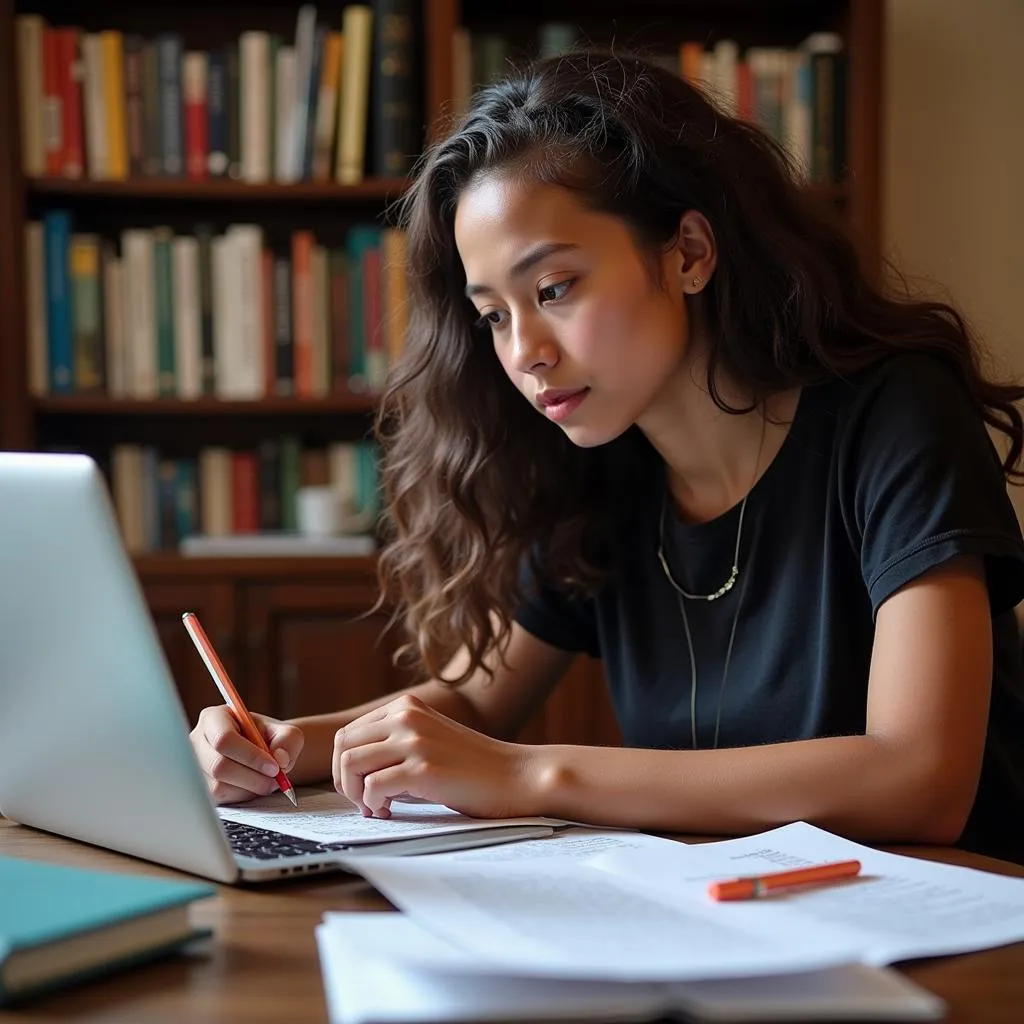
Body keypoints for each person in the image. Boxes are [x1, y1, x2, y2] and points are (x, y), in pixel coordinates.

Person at [190, 51, 1024, 862]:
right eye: (494, 316)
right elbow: (472, 697)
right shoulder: (602, 468)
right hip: (728, 922)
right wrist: (286, 745)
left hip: (958, 939)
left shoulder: (894, 413)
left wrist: (534, 773)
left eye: (553, 289)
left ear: (690, 254)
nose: (525, 352)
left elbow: (922, 779)